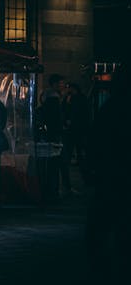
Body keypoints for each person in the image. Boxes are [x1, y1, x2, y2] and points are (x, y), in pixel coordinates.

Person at [86, 63, 131, 283]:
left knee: (103, 226)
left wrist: (92, 168)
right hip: (115, 174)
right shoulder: (113, 108)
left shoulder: (111, 108)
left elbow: (95, 141)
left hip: (111, 176)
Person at [35, 73, 65, 201]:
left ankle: (50, 191)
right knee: (54, 164)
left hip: (48, 135)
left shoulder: (48, 97)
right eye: (60, 83)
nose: (63, 85)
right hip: (53, 136)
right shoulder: (54, 99)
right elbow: (55, 119)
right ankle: (52, 192)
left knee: (51, 165)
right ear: (54, 84)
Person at [61, 82, 90, 191]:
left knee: (79, 155)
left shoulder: (77, 99)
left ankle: (82, 179)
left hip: (76, 130)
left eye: (70, 88)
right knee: (78, 155)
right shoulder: (72, 98)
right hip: (75, 131)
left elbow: (78, 113)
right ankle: (82, 179)